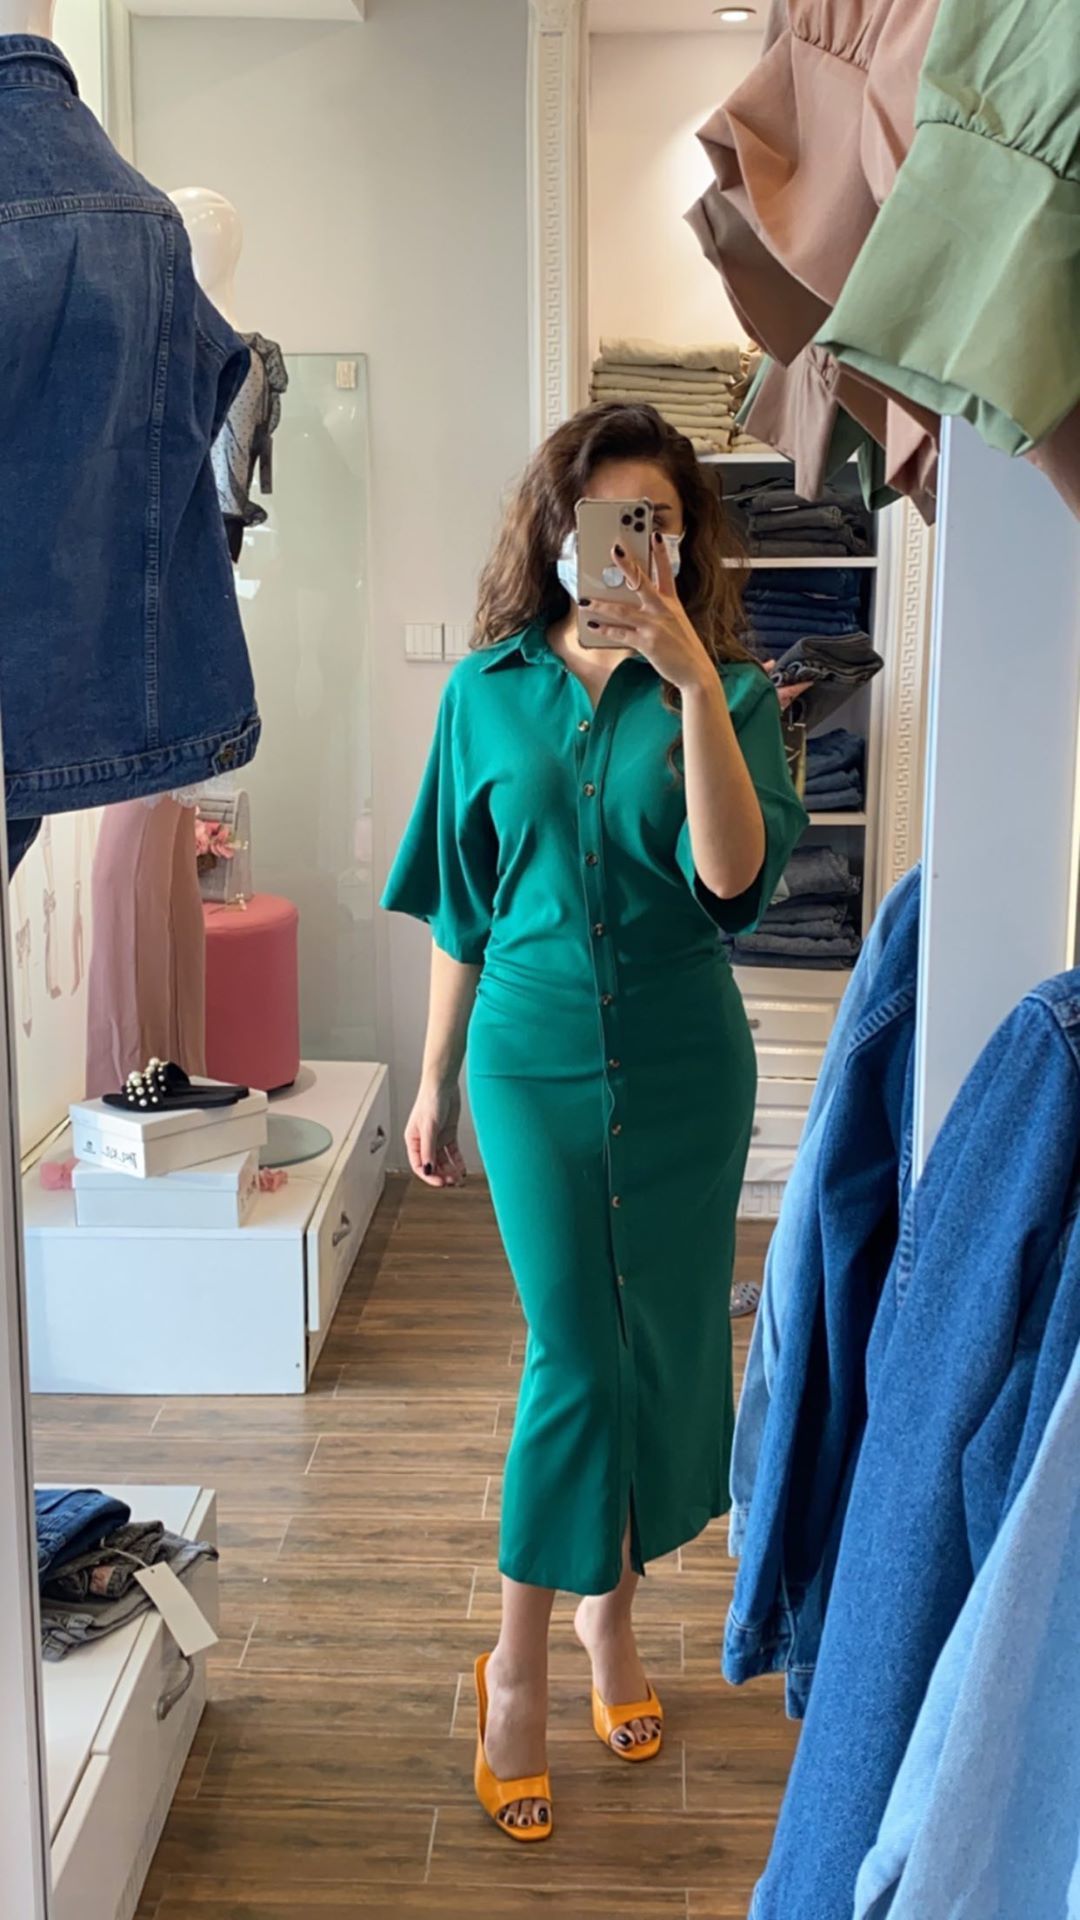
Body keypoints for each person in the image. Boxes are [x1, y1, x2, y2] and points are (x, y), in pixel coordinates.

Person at [382, 402, 808, 1842]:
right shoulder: (485, 693)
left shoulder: (731, 693)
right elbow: (461, 905)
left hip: (687, 1066)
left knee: (660, 1346)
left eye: (660, 525)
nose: (636, 546)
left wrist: (691, 689)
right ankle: (516, 1667)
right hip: (531, 1060)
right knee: (573, 1353)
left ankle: (608, 1625)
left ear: (686, 543)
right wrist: (434, 1079)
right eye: (613, 520)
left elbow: (732, 884)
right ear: (559, 531)